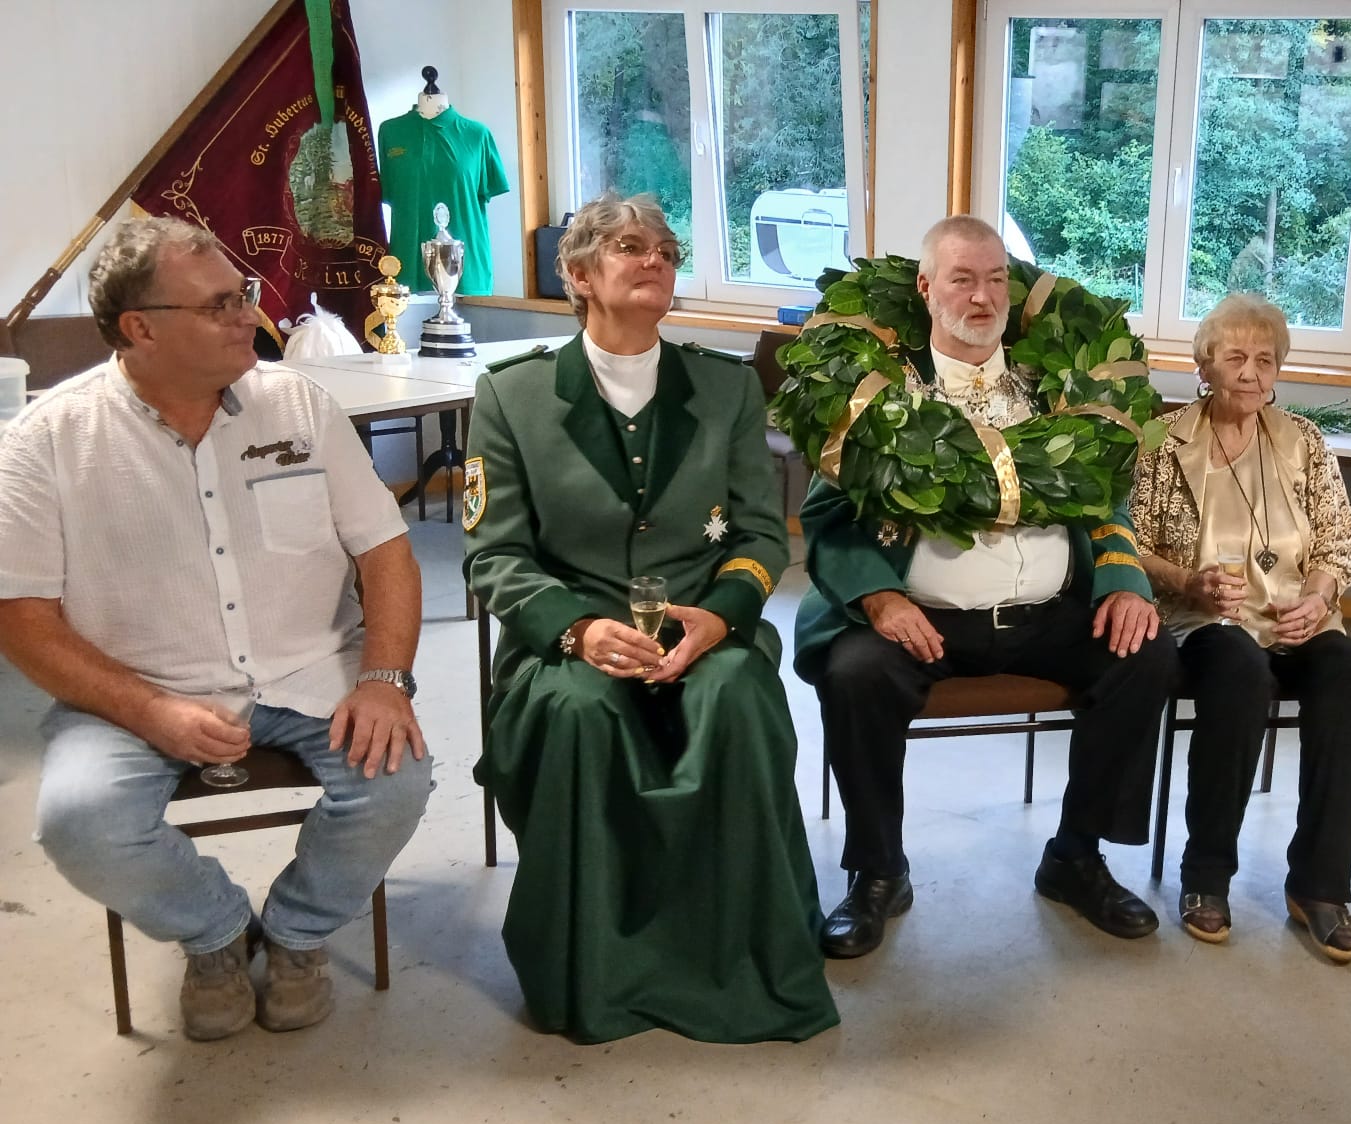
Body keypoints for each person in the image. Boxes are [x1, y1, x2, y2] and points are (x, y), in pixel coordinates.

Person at [0, 217, 432, 1040]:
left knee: (398, 781)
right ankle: (219, 932)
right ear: (141, 329)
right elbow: (21, 620)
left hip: (310, 673)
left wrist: (385, 679)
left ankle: (299, 933)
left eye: (246, 295)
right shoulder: (46, 442)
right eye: (222, 304)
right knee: (78, 821)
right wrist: (147, 711)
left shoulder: (297, 403)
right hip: (137, 693)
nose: (250, 316)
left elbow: (385, 550)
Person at [464, 193, 836, 1043]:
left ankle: (741, 958)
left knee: (736, 697)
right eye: (630, 247)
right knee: (578, 711)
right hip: (570, 641)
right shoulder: (512, 397)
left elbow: (755, 533)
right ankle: (591, 972)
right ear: (579, 273)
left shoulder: (726, 385)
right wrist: (578, 631)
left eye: (666, 248)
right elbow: (494, 557)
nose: (655, 259)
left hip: (704, 627)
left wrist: (721, 618)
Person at [793, 215, 1177, 958]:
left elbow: (1106, 498)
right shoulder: (879, 399)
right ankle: (878, 871)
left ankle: (1076, 855)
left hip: (1048, 615)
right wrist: (880, 596)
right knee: (855, 672)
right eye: (963, 279)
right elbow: (828, 514)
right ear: (926, 288)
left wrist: (1126, 582)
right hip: (923, 621)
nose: (982, 296)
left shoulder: (1054, 390)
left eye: (996, 278)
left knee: (1146, 656)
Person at [1127, 293, 1351, 962]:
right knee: (1238, 669)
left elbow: (1339, 545)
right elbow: (1130, 545)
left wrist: (1319, 597)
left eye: (1266, 360)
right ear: (1204, 367)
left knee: (1348, 669)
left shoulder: (1305, 443)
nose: (1252, 372)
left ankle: (1320, 887)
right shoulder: (1165, 441)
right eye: (1234, 357)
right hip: (1205, 618)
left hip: (1297, 616)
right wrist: (1187, 583)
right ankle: (1206, 876)